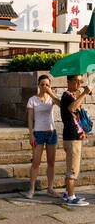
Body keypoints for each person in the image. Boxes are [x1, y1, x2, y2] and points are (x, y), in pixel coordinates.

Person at [28, 73, 61, 199]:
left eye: (47, 84)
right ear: (38, 85)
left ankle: (50, 188)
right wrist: (31, 135)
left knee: (51, 162)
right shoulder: (32, 100)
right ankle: (31, 188)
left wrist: (51, 93)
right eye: (42, 84)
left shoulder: (51, 98)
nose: (44, 86)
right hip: (38, 133)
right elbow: (30, 119)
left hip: (51, 132)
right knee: (36, 162)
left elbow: (61, 105)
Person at [65, 75, 93, 208]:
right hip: (71, 137)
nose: (79, 83)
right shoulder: (67, 96)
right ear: (69, 82)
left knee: (72, 165)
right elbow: (71, 108)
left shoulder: (71, 95)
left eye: (81, 81)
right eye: (77, 81)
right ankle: (71, 197)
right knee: (73, 168)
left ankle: (68, 193)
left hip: (74, 136)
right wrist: (84, 93)